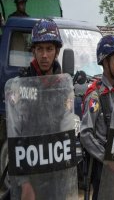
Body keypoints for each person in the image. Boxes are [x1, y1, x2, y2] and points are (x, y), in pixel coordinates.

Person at [15, 18, 73, 200]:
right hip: (30, 173)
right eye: (39, 49)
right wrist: (24, 182)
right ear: (33, 51)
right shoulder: (21, 85)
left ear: (57, 51)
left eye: (49, 49)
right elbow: (16, 135)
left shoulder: (63, 86)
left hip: (57, 172)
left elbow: (66, 130)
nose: (44, 55)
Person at [80, 35, 114, 200]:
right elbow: (85, 134)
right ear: (105, 62)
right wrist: (107, 159)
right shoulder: (95, 96)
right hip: (103, 167)